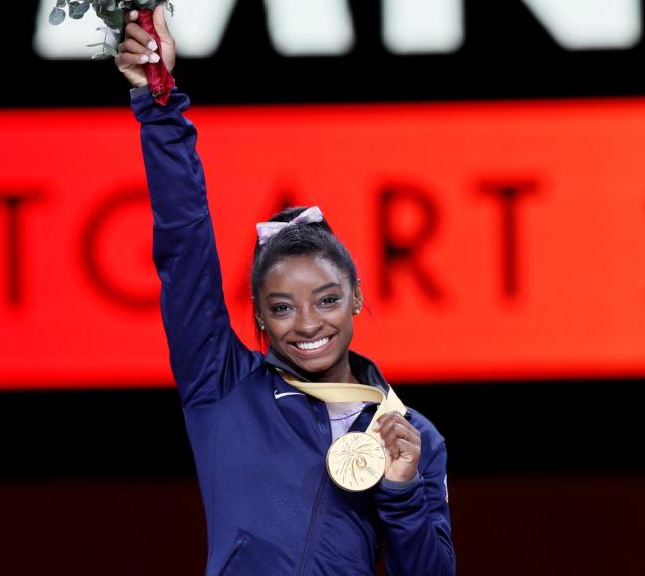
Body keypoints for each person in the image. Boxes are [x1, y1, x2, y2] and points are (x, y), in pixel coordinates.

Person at [117, 6, 455, 575]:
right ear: (259, 317)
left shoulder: (410, 433)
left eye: (326, 299)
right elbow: (185, 246)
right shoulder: (221, 385)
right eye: (282, 307)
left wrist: (401, 491)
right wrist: (161, 108)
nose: (306, 324)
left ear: (355, 296)